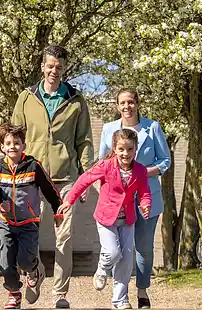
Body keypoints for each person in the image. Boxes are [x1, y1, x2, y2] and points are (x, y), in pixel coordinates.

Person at [11, 44, 95, 309]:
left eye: (59, 67)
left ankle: (60, 293)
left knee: (64, 236)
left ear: (64, 69)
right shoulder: (26, 98)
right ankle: (34, 274)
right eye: (50, 66)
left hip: (66, 179)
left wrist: (86, 180)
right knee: (29, 233)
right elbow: (15, 136)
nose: (54, 71)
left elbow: (84, 141)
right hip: (32, 178)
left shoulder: (76, 100)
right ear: (42, 67)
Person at [58, 128, 152, 310]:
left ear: (135, 149)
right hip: (106, 218)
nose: (126, 153)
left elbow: (144, 192)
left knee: (125, 261)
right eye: (122, 149)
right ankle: (102, 269)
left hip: (128, 219)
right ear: (115, 149)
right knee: (113, 252)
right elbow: (84, 180)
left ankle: (120, 300)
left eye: (130, 149)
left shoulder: (140, 170)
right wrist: (70, 199)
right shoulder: (106, 165)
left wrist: (145, 204)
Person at [98, 88, 171, 309]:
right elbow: (103, 163)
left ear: (137, 103)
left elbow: (165, 161)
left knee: (144, 247)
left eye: (131, 102)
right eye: (122, 103)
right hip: (119, 201)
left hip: (148, 197)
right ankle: (120, 296)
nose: (127, 106)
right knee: (120, 248)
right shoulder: (109, 129)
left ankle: (142, 289)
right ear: (117, 106)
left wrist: (141, 172)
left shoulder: (153, 127)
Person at [0, 124, 64, 309]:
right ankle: (14, 294)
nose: (12, 146)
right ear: (2, 147)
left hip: (29, 222)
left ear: (24, 146)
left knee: (24, 260)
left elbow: (49, 190)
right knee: (5, 262)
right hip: (6, 223)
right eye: (8, 143)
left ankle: (34, 270)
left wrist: (58, 211)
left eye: (16, 143)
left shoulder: (33, 166)